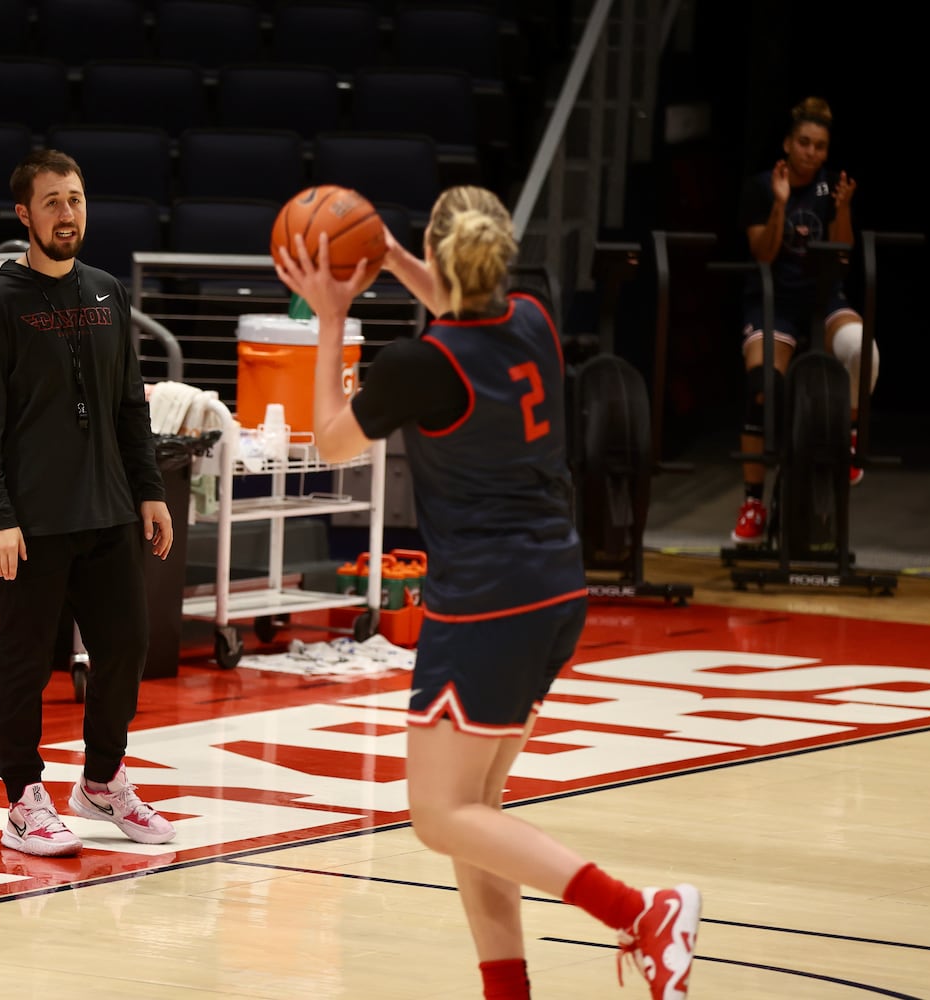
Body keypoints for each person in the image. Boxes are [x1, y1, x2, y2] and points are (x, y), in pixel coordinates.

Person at [273, 186, 701, 1000]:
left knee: (437, 817)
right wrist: (393, 257)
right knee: (477, 813)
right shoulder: (532, 321)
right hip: (552, 589)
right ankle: (507, 992)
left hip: (485, 603)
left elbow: (332, 439)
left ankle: (642, 913)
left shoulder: (419, 365)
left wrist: (331, 317)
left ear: (441, 257)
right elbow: (458, 304)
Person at [0, 149, 176, 858]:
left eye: (75, 199)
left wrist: (149, 491)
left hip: (108, 511)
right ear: (24, 214)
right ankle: (22, 800)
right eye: (51, 202)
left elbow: (128, 406)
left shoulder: (108, 291)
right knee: (24, 661)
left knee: (125, 647)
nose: (66, 214)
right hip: (30, 522)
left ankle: (103, 783)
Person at [732, 95, 875, 545]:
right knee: (761, 390)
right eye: (804, 143)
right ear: (788, 144)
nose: (811, 153)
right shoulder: (761, 185)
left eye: (820, 146)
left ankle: (848, 437)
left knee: (861, 351)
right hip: (775, 302)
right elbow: (764, 254)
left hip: (822, 298)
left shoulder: (830, 187)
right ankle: (753, 502)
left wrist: (845, 209)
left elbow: (843, 255)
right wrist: (779, 203)